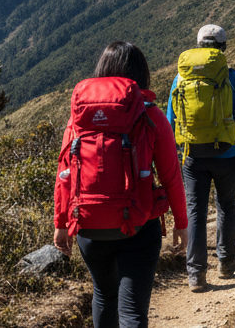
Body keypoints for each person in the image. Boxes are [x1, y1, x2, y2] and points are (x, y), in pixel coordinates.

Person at [53, 41, 188, 328]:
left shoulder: (78, 119)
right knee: (132, 312)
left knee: (103, 294)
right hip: (138, 225)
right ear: (141, 74)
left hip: (88, 226)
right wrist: (181, 222)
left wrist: (61, 223)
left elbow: (64, 173)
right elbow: (171, 175)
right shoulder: (150, 114)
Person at [167, 24, 235, 292]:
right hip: (227, 154)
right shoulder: (234, 79)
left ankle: (196, 274)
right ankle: (227, 263)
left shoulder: (179, 79)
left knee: (195, 209)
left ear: (197, 46)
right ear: (223, 49)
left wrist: (173, 157)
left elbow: (170, 122)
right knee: (226, 205)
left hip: (192, 155)